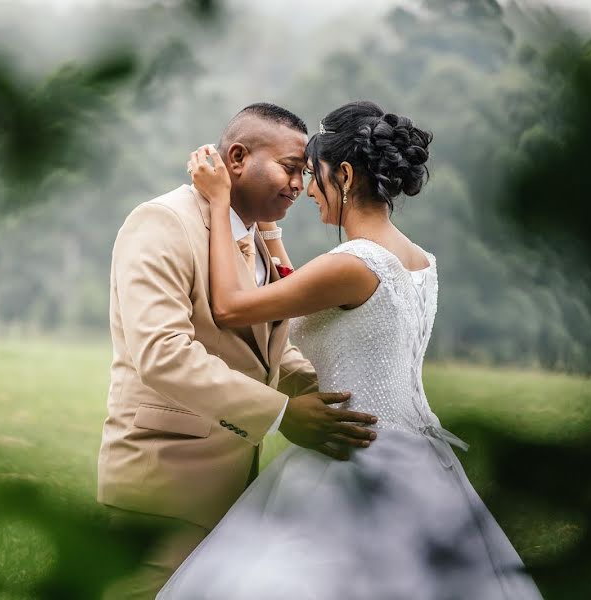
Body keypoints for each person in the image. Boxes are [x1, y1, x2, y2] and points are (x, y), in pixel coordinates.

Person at [157, 101, 543, 599]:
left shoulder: (352, 262)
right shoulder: (417, 259)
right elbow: (311, 297)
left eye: (311, 174)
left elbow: (231, 307)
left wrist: (216, 200)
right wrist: (271, 237)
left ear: (343, 173)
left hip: (355, 453)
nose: (305, 190)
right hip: (419, 455)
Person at [97, 103, 380, 599]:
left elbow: (270, 351)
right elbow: (163, 351)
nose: (299, 184)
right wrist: (281, 415)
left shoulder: (256, 236)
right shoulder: (161, 223)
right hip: (163, 486)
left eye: (305, 173)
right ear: (236, 158)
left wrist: (334, 389)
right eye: (290, 169)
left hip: (236, 493)